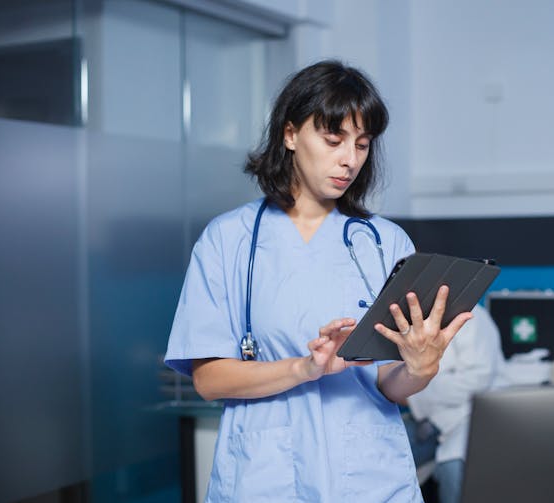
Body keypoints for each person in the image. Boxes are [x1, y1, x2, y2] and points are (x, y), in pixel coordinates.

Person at [164, 60, 474, 502]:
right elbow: (209, 380)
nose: (349, 160)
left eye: (362, 145)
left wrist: (420, 369)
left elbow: (391, 383)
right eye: (333, 140)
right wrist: (304, 369)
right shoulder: (228, 240)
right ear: (290, 135)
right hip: (265, 477)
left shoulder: (386, 243)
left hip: (368, 477)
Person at [404, 304, 507, 503]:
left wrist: (413, 394)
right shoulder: (407, 318)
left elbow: (478, 380)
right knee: (380, 454)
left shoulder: (473, 316)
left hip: (465, 418)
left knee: (454, 468)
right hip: (425, 419)